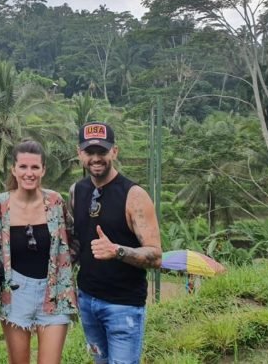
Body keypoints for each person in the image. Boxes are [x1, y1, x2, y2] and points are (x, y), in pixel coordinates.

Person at [70, 122, 162, 364]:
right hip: (87, 301)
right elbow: (76, 244)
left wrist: (117, 251)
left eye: (103, 152)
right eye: (90, 152)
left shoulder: (134, 195)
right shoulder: (76, 191)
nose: (96, 158)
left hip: (123, 306)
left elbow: (155, 256)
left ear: (115, 152)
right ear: (80, 154)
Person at [0, 140, 77, 364]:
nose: (29, 173)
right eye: (23, 167)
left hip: (53, 291)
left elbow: (71, 238)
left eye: (34, 167)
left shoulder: (55, 202)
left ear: (43, 170)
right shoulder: (0, 205)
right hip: (16, 293)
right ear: (14, 169)